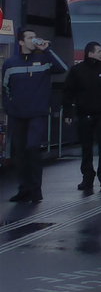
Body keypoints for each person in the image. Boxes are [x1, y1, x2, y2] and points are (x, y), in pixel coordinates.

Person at [2, 27, 68, 203]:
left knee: (32, 149)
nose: (34, 40)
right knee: (19, 153)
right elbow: (5, 88)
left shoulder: (44, 59)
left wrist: (48, 49)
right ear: (21, 42)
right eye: (30, 38)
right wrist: (9, 107)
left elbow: (62, 68)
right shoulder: (10, 63)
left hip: (37, 113)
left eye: (35, 37)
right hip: (17, 115)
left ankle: (35, 189)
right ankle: (24, 189)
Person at [63, 41, 101, 192]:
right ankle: (87, 178)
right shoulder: (77, 70)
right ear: (90, 53)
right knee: (86, 147)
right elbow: (68, 92)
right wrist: (68, 112)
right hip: (84, 114)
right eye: (99, 51)